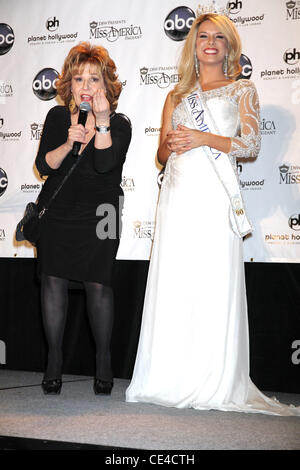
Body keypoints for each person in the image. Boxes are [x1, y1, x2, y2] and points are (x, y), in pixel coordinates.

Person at [126, 9, 300, 416]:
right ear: (194, 44)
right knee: (176, 283)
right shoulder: (176, 95)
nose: (209, 42)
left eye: (218, 38)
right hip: (178, 198)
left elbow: (251, 147)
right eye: (203, 35)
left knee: (212, 282)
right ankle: (168, 377)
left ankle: (212, 379)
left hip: (215, 200)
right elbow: (160, 155)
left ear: (228, 47)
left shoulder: (243, 91)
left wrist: (203, 136)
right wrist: (170, 143)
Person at [35, 42, 131, 395]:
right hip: (59, 211)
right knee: (53, 281)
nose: (86, 86)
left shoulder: (120, 123)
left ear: (106, 85)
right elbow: (44, 166)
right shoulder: (58, 118)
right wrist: (67, 142)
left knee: (99, 284)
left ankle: (104, 361)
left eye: (94, 78)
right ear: (69, 85)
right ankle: (54, 360)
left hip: (102, 212)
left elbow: (106, 166)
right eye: (79, 79)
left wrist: (101, 125)